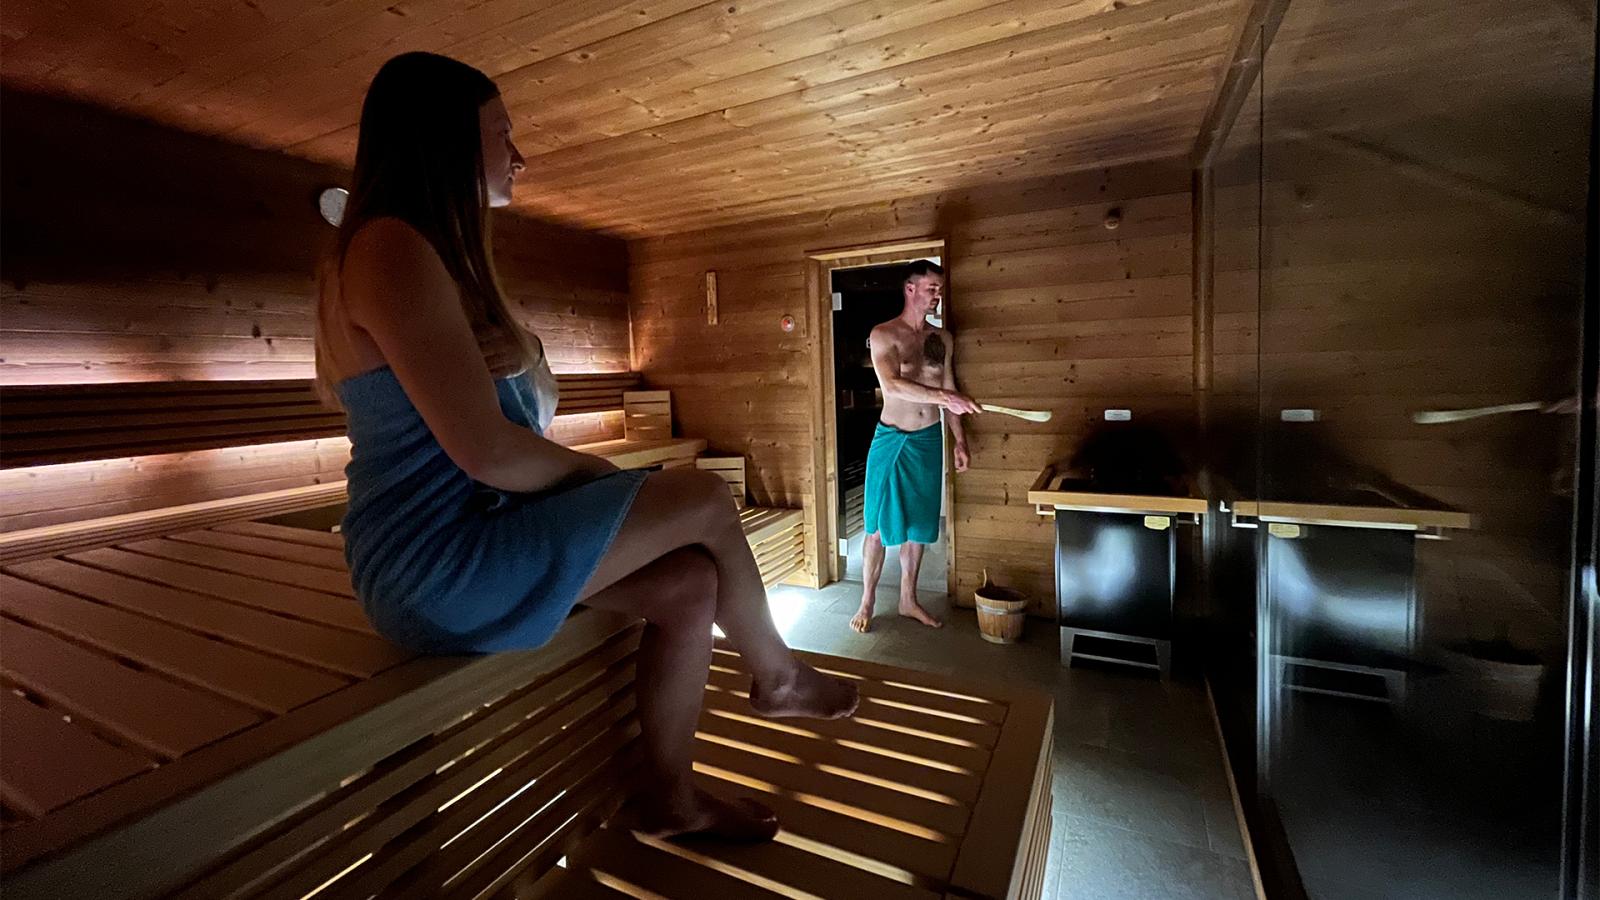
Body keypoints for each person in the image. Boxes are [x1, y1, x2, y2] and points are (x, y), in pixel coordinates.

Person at [313, 52, 857, 843]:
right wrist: (603, 477)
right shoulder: (388, 248)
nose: (519, 155)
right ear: (444, 143)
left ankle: (669, 800)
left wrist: (529, 372)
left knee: (688, 586)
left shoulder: (433, 265)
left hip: (477, 536)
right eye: (502, 134)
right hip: (433, 561)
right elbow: (491, 454)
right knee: (701, 497)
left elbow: (528, 404)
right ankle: (775, 676)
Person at [849, 260, 980, 633]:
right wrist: (944, 398)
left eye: (940, 288)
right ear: (910, 289)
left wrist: (960, 439)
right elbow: (890, 385)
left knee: (920, 525)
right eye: (931, 288)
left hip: (927, 441)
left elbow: (951, 391)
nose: (938, 295)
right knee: (875, 524)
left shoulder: (943, 340)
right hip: (892, 439)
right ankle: (867, 600)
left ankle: (909, 599)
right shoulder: (884, 334)